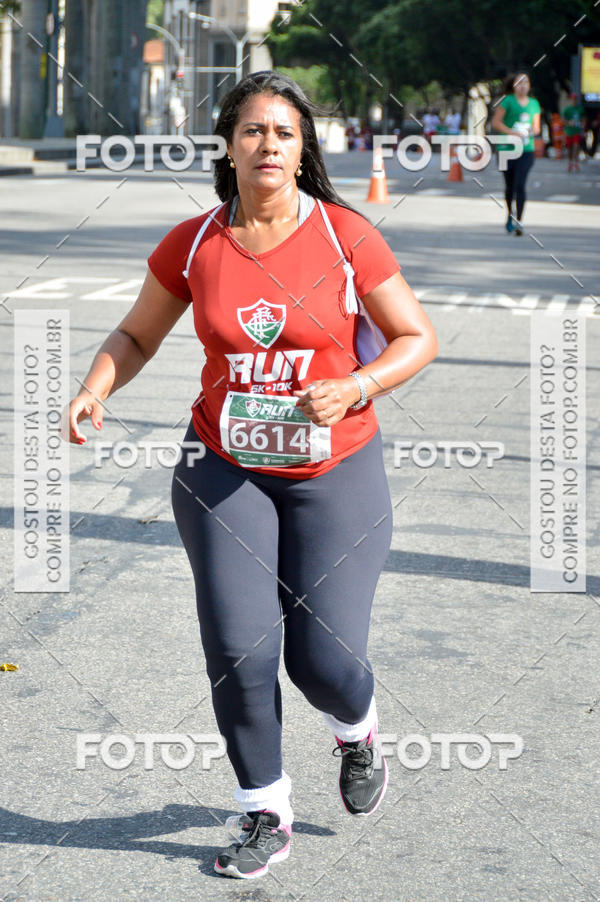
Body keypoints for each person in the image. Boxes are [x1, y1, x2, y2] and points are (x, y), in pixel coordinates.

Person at [66, 70, 438, 880]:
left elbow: (416, 337)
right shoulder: (195, 242)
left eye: (285, 132)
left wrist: (356, 386)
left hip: (334, 470)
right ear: (228, 147)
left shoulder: (345, 236)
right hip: (221, 467)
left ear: (302, 151)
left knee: (323, 662)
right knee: (238, 648)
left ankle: (358, 727)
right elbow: (135, 335)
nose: (268, 143)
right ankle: (264, 810)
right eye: (253, 130)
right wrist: (96, 387)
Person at [491, 71, 541, 236]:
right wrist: (512, 132)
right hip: (507, 149)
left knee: (520, 184)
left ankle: (520, 220)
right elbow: (496, 123)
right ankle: (509, 213)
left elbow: (537, 127)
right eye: (519, 82)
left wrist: (530, 132)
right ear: (513, 86)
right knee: (509, 186)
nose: (523, 86)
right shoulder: (507, 101)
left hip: (526, 150)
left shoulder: (534, 104)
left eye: (526, 82)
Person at [561, 92, 586, 172]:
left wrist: (583, 125)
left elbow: (584, 118)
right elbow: (563, 120)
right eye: (572, 99)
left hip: (577, 131)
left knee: (576, 146)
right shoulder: (567, 109)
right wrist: (569, 123)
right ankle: (570, 162)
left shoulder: (580, 108)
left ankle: (575, 162)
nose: (574, 101)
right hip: (569, 131)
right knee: (569, 148)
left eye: (575, 99)